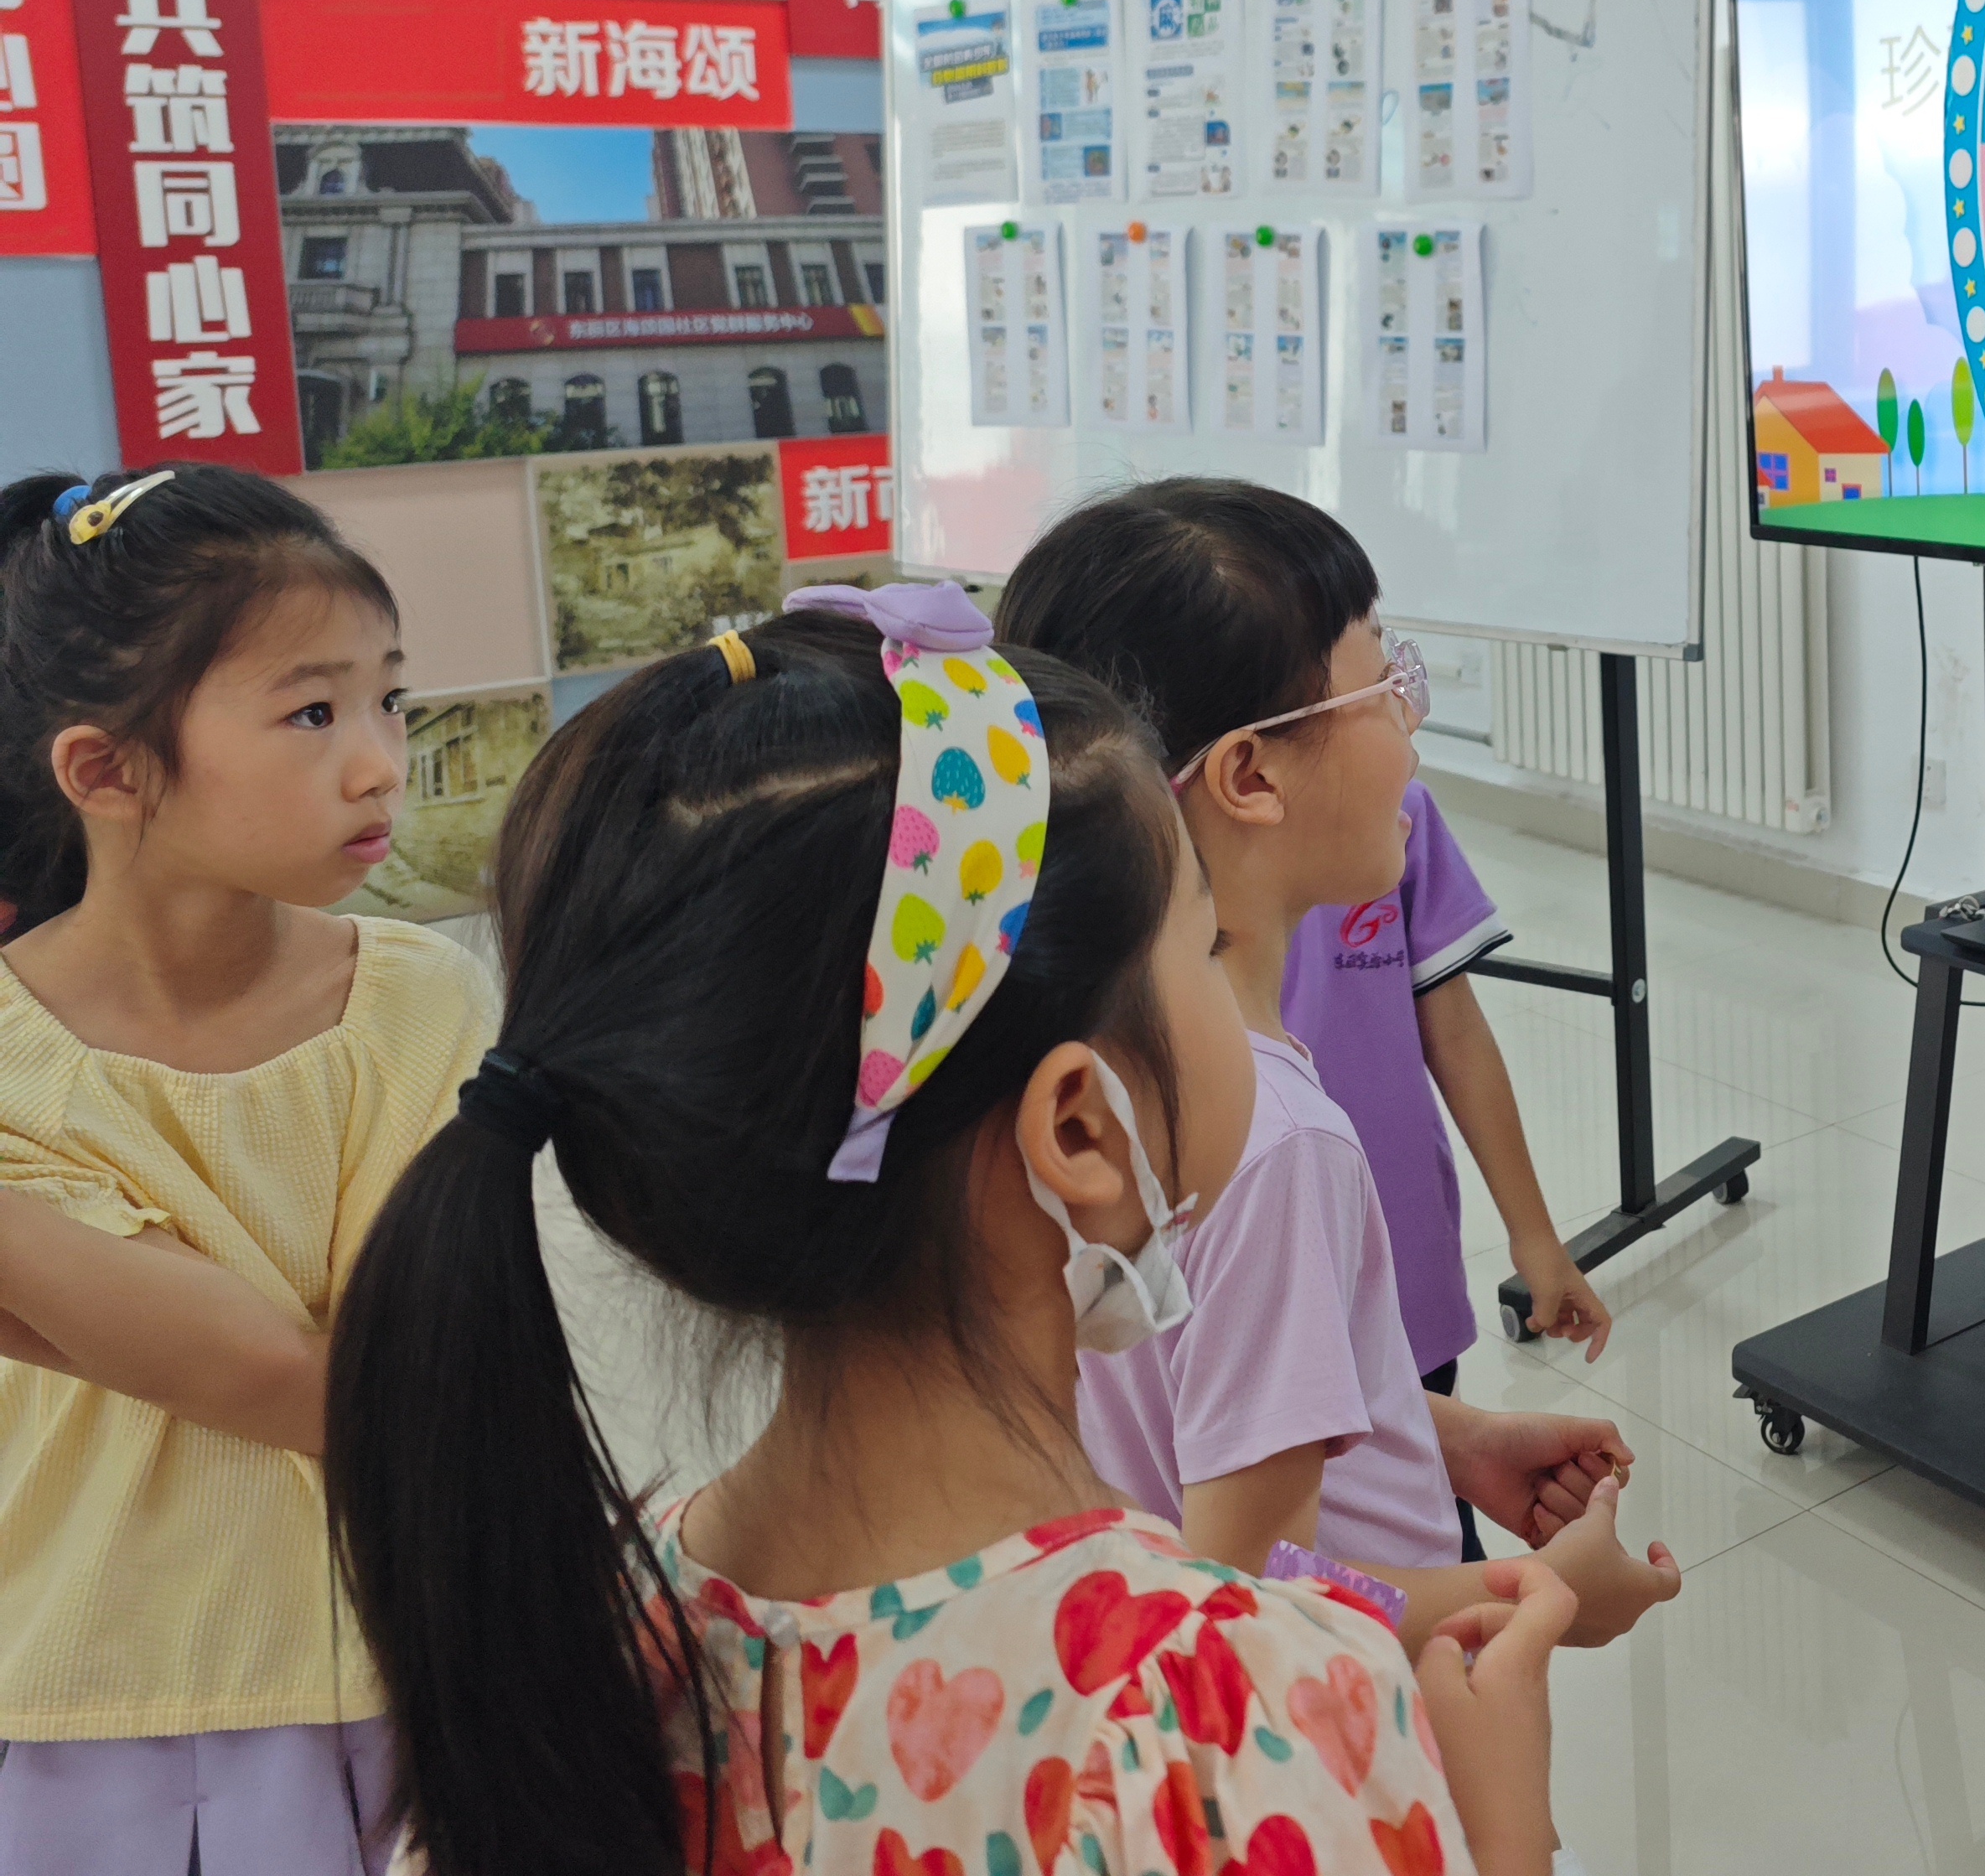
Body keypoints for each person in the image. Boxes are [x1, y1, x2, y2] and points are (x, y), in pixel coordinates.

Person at [324, 587, 1573, 1876]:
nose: (1230, 966)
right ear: (1079, 1130)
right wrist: (1502, 1831)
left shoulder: (606, 1649)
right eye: (1202, 939)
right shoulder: (1230, 1714)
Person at [999, 481, 1682, 1633]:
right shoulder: (1273, 1147)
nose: (1411, 718)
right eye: (1386, 681)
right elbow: (1248, 1618)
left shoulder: (1076, 1078)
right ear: (1251, 776)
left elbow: (1196, 1417)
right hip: (1339, 1749)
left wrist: (1448, 1439)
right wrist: (1549, 1596)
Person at [0, 465, 497, 1873]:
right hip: (59, 1708)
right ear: (106, 771)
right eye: (311, 712)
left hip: (387, 1684)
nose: (381, 761)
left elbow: (355, 1393)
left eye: (388, 700)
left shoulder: (421, 1004)